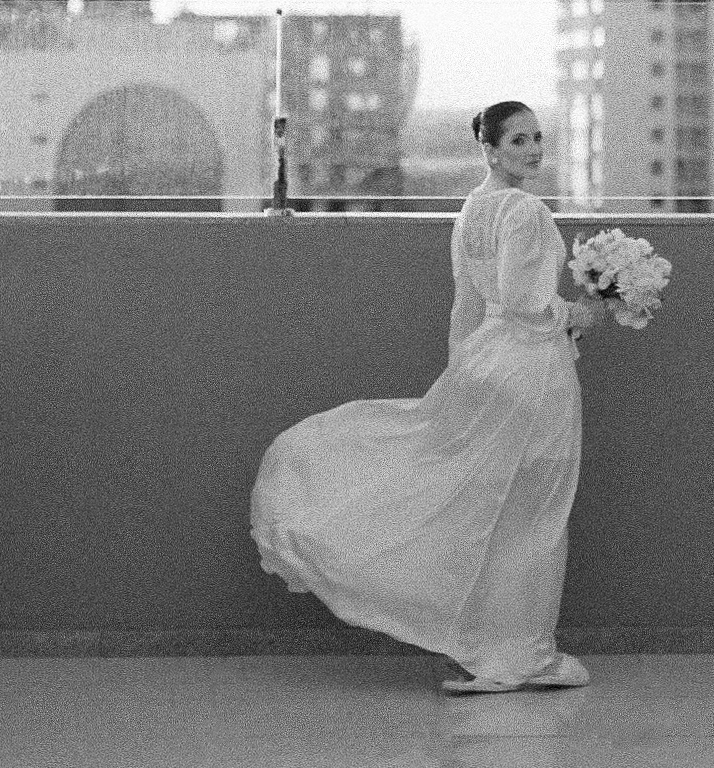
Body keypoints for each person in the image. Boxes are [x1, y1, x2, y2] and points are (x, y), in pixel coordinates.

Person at [249, 98, 602, 694]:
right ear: (489, 150)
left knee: (492, 511)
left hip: (487, 363)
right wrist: (584, 311)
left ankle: (490, 647)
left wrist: (464, 368)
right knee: (534, 512)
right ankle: (519, 654)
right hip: (532, 371)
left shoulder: (472, 211)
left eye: (538, 137)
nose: (534, 149)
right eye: (518, 140)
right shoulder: (525, 210)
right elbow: (525, 303)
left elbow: (467, 304)